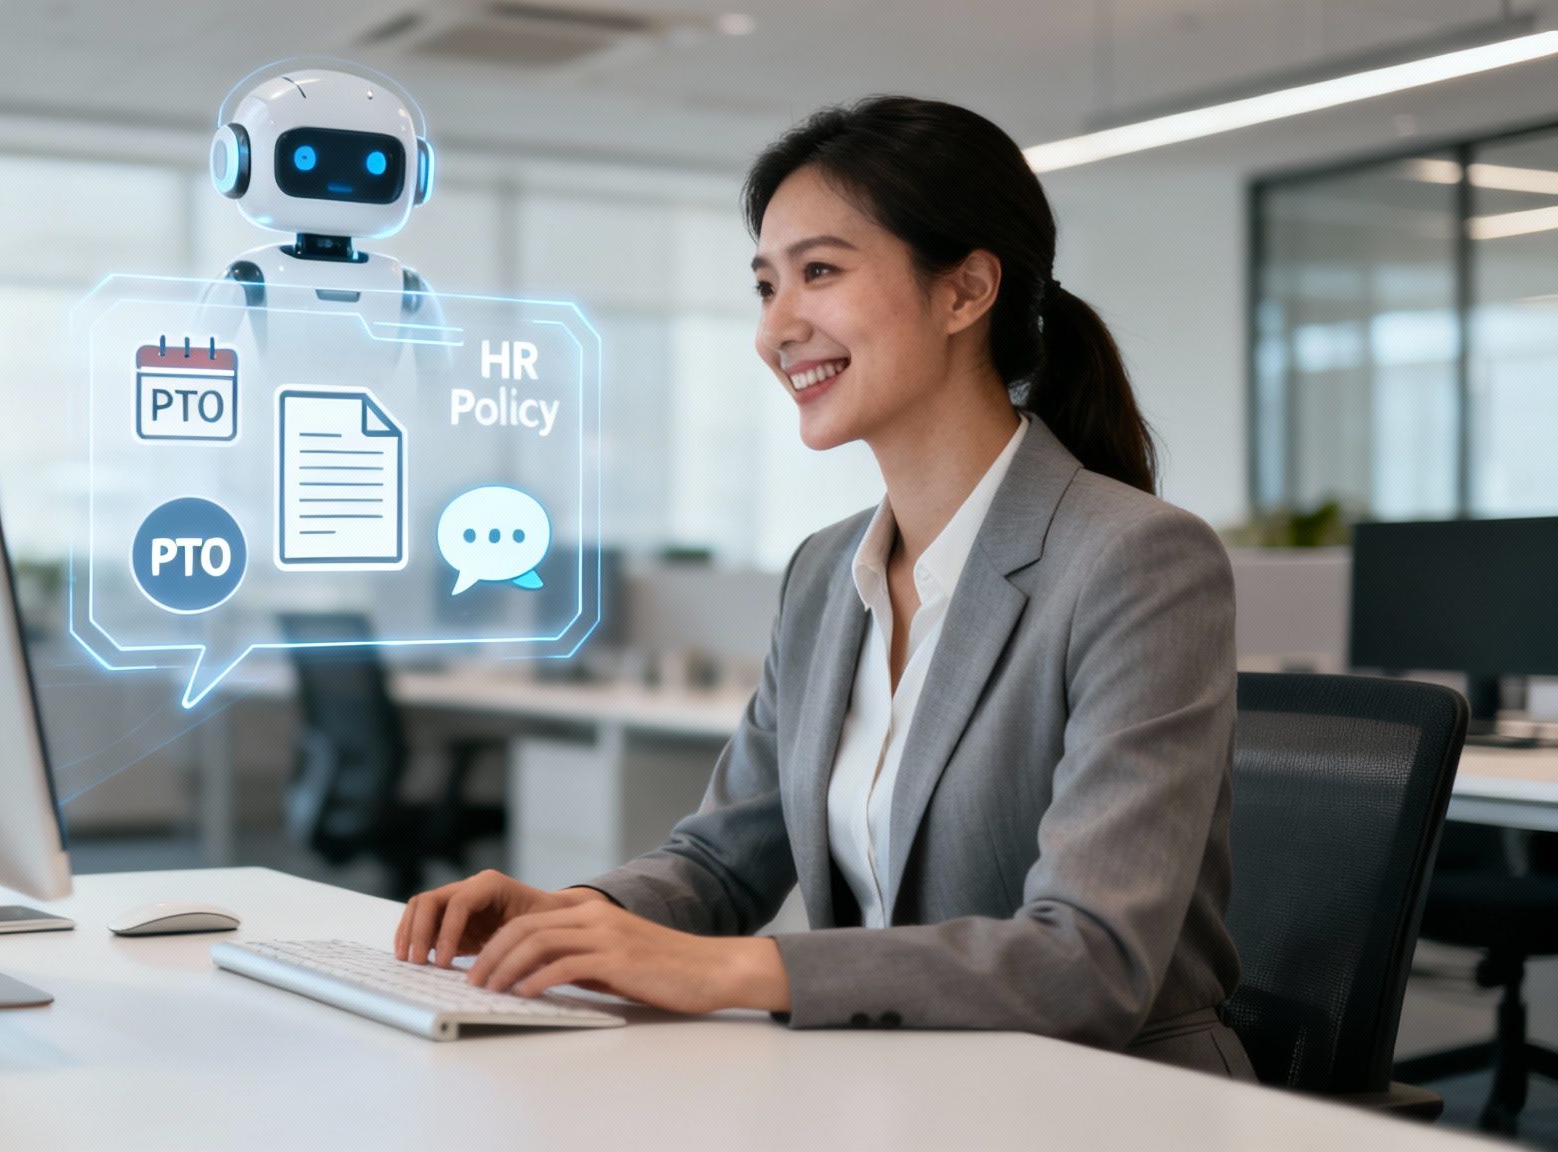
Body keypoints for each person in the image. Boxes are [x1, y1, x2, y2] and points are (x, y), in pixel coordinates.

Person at [394, 95, 1252, 1080]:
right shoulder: (823, 574)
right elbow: (720, 861)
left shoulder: (1134, 560)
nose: (776, 328)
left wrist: (726, 970)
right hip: (897, 1079)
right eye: (765, 285)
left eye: (819, 272)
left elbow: (1086, 961)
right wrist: (581, 918)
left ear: (965, 290)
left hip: (1109, 1097)